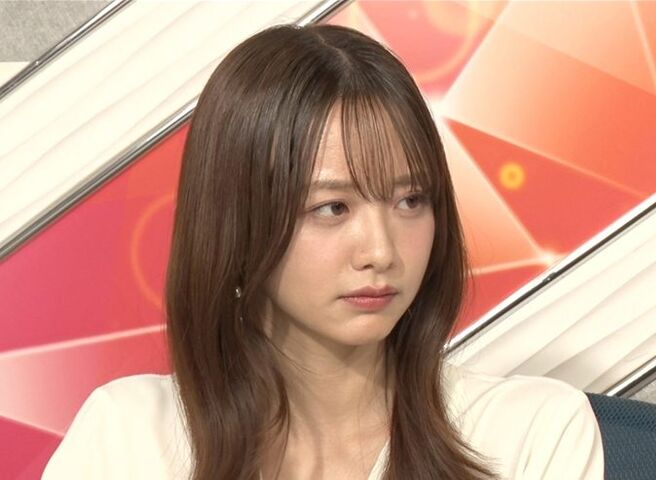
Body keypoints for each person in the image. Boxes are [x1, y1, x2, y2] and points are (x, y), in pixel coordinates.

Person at [42, 23, 603, 480]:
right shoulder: (129, 437)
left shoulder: (530, 433)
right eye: (332, 208)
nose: (381, 251)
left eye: (410, 200)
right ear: (237, 222)